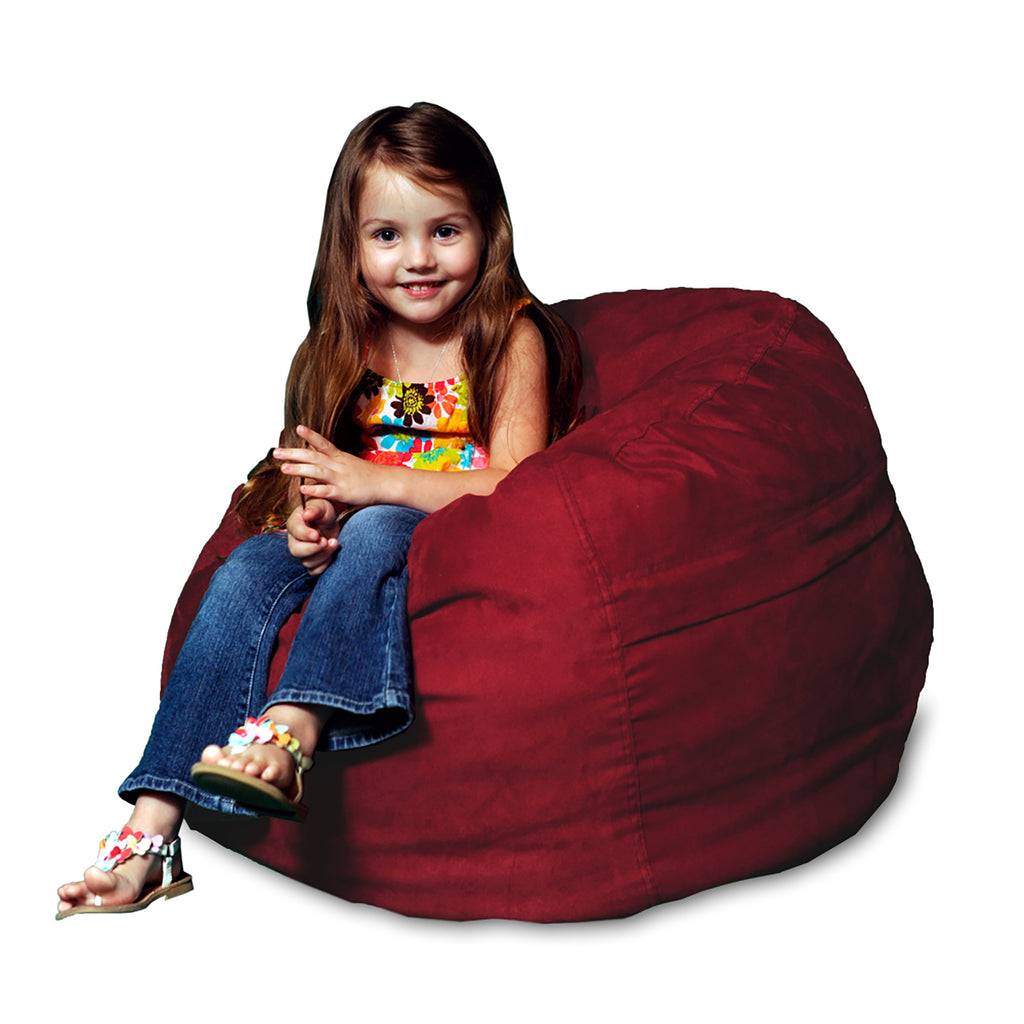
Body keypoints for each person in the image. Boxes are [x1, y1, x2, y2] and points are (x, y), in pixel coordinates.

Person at [56, 102, 582, 919]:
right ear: (350, 244)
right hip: (359, 521)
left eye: (446, 231)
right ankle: (153, 828)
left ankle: (293, 730)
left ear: (489, 229)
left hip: (446, 533)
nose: (418, 259)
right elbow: (319, 471)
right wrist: (309, 523)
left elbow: (517, 480)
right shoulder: (344, 344)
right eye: (387, 235)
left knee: (376, 525)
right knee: (246, 569)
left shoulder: (508, 337)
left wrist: (374, 487)